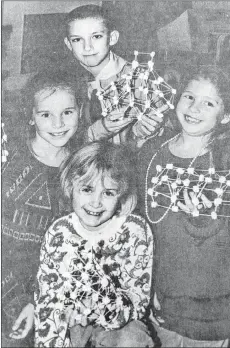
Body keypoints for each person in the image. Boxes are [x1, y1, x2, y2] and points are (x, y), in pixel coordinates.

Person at [138, 65, 230, 346]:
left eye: (209, 103)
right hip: (161, 302)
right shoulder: (151, 151)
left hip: (212, 310)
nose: (195, 108)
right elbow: (145, 225)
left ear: (225, 116)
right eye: (189, 97)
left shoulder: (225, 163)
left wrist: (204, 223)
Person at [34, 141, 157, 348]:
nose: (96, 202)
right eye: (87, 189)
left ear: (122, 194)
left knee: (133, 340)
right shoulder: (59, 232)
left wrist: (97, 309)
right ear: (71, 186)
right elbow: (48, 301)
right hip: (72, 322)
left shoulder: (135, 230)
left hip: (120, 323)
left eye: (108, 192)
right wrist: (68, 314)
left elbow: (138, 303)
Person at [1, 70, 83, 347]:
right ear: (30, 116)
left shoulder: (86, 168)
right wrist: (18, 298)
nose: (58, 123)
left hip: (56, 297)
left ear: (80, 112)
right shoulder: (8, 160)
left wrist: (41, 300)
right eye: (46, 114)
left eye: (67, 112)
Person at [64, 4, 165, 145]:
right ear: (68, 44)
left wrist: (141, 134)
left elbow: (162, 134)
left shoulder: (138, 81)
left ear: (112, 38)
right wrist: (97, 131)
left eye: (96, 36)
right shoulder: (65, 80)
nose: (87, 47)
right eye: (77, 39)